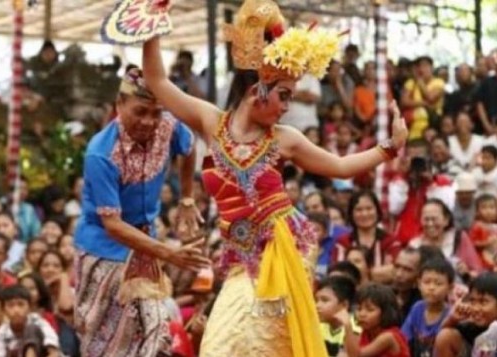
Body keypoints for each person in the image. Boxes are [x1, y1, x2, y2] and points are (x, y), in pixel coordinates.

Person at [142, 1, 408, 355]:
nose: (286, 107)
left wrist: (389, 147)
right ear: (258, 90)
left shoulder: (285, 139)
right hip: (239, 261)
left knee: (259, 345)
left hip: (283, 252)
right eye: (283, 96)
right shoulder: (211, 122)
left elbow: (341, 166)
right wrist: (152, 24)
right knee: (219, 348)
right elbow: (157, 80)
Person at [73, 66, 209, 357]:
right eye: (140, 111)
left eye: (156, 112)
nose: (149, 121)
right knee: (103, 343)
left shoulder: (169, 125)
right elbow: (113, 225)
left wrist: (187, 198)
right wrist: (169, 253)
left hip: (147, 247)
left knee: (157, 329)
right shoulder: (101, 153)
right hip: (104, 250)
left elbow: (188, 149)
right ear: (119, 105)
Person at [401, 258, 453, 357]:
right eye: (427, 282)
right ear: (419, 284)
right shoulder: (417, 308)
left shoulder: (450, 314)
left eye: (438, 284)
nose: (431, 288)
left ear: (450, 287)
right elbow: (403, 339)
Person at [0, 285, 60, 357]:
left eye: (21, 304)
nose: (16, 310)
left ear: (29, 307)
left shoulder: (38, 322)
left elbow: (54, 352)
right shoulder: (2, 332)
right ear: (4, 310)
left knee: (31, 329)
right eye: (11, 305)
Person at [350, 284, 410, 357]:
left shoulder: (388, 337)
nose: (362, 314)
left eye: (370, 310)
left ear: (386, 312)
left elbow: (356, 355)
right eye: (359, 309)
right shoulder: (364, 332)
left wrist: (346, 325)